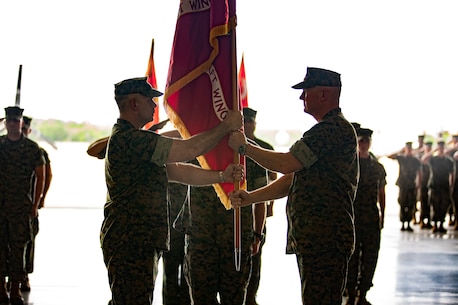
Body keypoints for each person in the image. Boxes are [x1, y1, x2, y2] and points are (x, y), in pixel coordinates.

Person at [100, 77, 243, 305]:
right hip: (130, 240)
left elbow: (178, 172)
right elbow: (189, 149)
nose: (155, 106)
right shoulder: (132, 140)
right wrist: (225, 127)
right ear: (134, 104)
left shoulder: (136, 139)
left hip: (137, 238)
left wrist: (221, 176)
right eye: (150, 100)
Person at [228, 67, 359, 305]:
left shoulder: (331, 129)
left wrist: (244, 146)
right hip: (317, 238)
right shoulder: (326, 130)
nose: (301, 97)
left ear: (322, 94)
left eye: (306, 91)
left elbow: (287, 164)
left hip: (325, 237)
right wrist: (251, 198)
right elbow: (291, 180)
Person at [173, 157, 259, 305]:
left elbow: (260, 200)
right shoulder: (200, 152)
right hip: (201, 240)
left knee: (234, 297)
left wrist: (257, 234)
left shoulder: (249, 156)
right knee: (202, 297)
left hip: (235, 240)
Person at [0, 106, 45, 305]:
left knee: (19, 249)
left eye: (16, 120)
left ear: (21, 123)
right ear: (5, 123)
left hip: (21, 207)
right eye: (9, 120)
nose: (12, 124)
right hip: (0, 207)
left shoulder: (32, 148)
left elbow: (41, 176)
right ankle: (1, 287)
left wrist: (35, 204)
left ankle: (16, 288)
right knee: (0, 249)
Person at [344, 127, 386, 305]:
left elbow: (381, 192)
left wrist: (383, 214)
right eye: (361, 141)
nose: (363, 144)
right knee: (351, 256)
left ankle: (363, 293)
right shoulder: (349, 164)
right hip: (352, 217)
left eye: (366, 141)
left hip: (370, 217)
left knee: (370, 256)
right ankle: (351, 291)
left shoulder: (377, 167)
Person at [242, 107, 277, 305]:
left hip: (258, 209)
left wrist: (269, 205)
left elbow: (273, 178)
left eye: (251, 122)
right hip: (242, 212)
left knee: (256, 255)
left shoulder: (263, 148)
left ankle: (251, 295)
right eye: (245, 122)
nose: (249, 125)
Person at [20, 116, 53, 292]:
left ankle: (24, 276)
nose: (21, 131)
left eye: (24, 128)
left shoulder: (36, 150)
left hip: (27, 204)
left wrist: (41, 199)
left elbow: (46, 176)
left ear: (29, 130)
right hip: (7, 204)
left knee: (28, 240)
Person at [422, 140, 455, 233]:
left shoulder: (448, 161)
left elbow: (451, 174)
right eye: (439, 147)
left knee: (444, 206)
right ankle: (435, 224)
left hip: (444, 186)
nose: (440, 149)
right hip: (434, 186)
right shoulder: (433, 159)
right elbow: (424, 160)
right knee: (434, 205)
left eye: (442, 147)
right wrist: (433, 151)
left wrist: (451, 186)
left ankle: (441, 224)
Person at [388, 142, 421, 231]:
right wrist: (400, 150)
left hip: (411, 185)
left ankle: (409, 223)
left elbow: (419, 172)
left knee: (411, 204)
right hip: (403, 185)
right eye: (407, 148)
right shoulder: (402, 158)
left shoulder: (415, 160)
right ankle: (403, 223)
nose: (409, 150)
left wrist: (418, 183)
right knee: (403, 204)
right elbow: (389, 156)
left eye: (410, 148)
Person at [418, 141, 433, 229]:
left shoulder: (433, 158)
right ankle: (422, 220)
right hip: (423, 184)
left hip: (431, 184)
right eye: (427, 146)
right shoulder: (421, 156)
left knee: (430, 203)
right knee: (423, 203)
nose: (429, 148)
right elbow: (423, 160)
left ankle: (429, 220)